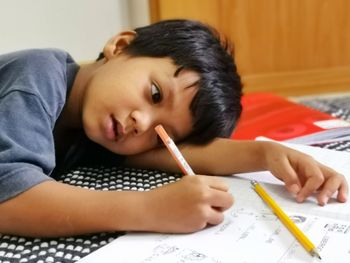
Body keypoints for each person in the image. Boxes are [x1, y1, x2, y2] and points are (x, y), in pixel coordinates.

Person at [0, 19, 347, 238]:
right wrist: (149, 209)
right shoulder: (37, 78)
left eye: (161, 133)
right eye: (154, 94)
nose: (143, 124)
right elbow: (9, 200)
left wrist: (267, 154)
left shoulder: (101, 124)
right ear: (120, 47)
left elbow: (176, 154)